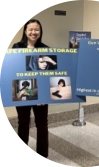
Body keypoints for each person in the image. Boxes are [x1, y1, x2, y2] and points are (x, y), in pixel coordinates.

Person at [12, 19, 49, 159]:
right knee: (23, 123)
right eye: (31, 29)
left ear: (40, 32)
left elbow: (49, 73)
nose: (34, 32)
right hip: (22, 91)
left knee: (42, 124)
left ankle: (42, 156)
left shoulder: (46, 49)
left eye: (37, 29)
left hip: (41, 93)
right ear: (25, 32)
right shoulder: (16, 47)